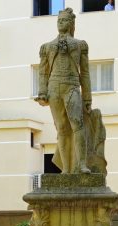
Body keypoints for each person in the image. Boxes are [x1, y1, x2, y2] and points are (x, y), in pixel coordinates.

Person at [35, 8, 91, 174]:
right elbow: (43, 71)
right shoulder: (47, 47)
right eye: (59, 20)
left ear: (71, 23)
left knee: (78, 124)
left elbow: (85, 73)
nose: (60, 22)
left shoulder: (80, 45)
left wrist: (87, 98)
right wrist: (42, 92)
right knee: (61, 129)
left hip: (72, 86)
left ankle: (81, 165)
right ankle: (66, 169)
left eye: (64, 20)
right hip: (54, 88)